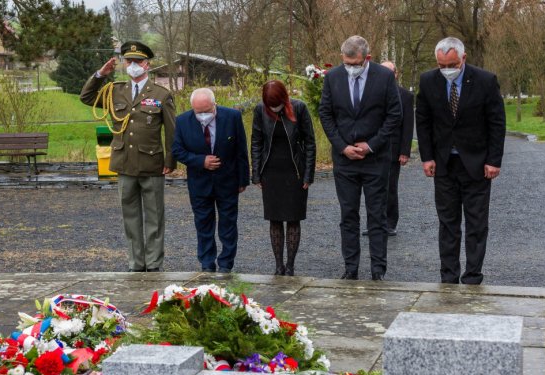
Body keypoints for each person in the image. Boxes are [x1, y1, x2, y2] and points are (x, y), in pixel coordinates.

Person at [80, 41, 176, 272]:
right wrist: (100, 75)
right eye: (129, 61)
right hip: (124, 163)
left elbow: (172, 130)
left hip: (152, 163)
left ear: (147, 64)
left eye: (138, 61)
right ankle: (136, 262)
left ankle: (153, 263)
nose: (133, 65)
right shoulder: (114, 90)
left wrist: (170, 161)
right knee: (130, 218)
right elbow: (86, 97)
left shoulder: (161, 94)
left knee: (154, 218)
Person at [416, 37, 506, 284]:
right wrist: (427, 157)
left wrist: (494, 160)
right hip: (444, 164)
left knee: (476, 223)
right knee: (448, 223)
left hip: (477, 164)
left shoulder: (485, 81)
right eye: (442, 64)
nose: (447, 70)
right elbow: (422, 122)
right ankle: (448, 275)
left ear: (463, 58)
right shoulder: (428, 81)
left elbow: (497, 123)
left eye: (452, 64)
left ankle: (473, 275)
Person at [319, 35, 402, 281]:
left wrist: (372, 145)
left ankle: (378, 269)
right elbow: (326, 114)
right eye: (346, 63)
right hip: (345, 160)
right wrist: (342, 146)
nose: (350, 68)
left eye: (355, 63)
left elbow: (394, 115)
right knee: (348, 215)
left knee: (377, 215)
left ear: (367, 58)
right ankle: (350, 267)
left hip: (375, 159)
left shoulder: (384, 77)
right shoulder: (333, 77)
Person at [172, 88, 249, 273]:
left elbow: (241, 150)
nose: (204, 116)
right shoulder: (182, 121)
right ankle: (207, 263)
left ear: (214, 105)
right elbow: (177, 150)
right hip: (199, 183)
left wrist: (243, 180)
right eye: (199, 112)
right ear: (192, 109)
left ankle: (226, 263)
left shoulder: (232, 117)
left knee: (228, 224)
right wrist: (201, 161)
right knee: (203, 224)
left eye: (207, 111)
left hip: (228, 180)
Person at [251, 80, 316, 276]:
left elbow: (310, 142)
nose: (273, 108)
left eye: (276, 103)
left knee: (293, 218)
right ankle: (278, 265)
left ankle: (290, 265)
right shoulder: (260, 110)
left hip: (294, 170)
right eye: (270, 104)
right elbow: (256, 142)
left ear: (284, 98)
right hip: (271, 171)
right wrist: (256, 174)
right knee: (275, 219)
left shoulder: (299, 108)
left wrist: (308, 175)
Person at [363, 61, 414, 237]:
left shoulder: (405, 96)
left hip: (393, 149)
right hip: (372, 148)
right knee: (372, 188)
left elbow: (408, 125)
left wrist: (404, 151)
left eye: (389, 72)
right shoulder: (370, 92)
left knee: (390, 188)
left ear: (396, 74)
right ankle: (373, 224)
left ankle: (390, 223)